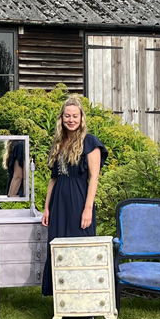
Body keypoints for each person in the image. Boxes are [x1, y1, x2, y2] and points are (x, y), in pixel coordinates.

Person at [41, 97, 108, 297]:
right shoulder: (59, 142)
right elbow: (53, 179)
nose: (71, 120)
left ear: (81, 118)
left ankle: (85, 302)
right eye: (67, 116)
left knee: (80, 246)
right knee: (58, 245)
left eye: (75, 116)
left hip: (79, 199)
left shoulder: (90, 141)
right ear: (62, 118)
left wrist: (88, 209)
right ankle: (63, 298)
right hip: (58, 200)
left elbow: (94, 177)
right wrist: (46, 208)